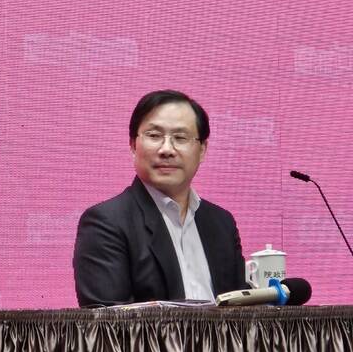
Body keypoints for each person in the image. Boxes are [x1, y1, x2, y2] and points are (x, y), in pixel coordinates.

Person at [73, 89, 246, 307]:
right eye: (154, 136)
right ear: (133, 145)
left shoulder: (221, 223)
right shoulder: (106, 223)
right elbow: (107, 323)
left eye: (180, 138)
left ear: (202, 149)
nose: (167, 149)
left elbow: (242, 311)